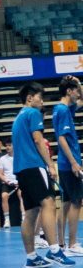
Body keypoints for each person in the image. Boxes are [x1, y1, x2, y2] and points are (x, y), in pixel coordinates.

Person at [13, 82, 72, 268]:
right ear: (30, 98)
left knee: (30, 212)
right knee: (48, 203)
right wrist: (50, 165)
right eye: (39, 97)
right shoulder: (32, 113)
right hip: (33, 165)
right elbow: (38, 140)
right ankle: (55, 251)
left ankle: (31, 257)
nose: (42, 101)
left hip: (21, 169)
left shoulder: (18, 117)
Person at [51, 75, 83, 255]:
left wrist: (78, 82)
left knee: (66, 203)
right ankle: (72, 244)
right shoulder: (63, 111)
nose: (78, 93)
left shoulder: (62, 109)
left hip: (64, 162)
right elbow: (61, 138)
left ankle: (62, 243)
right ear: (69, 91)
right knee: (76, 202)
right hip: (69, 162)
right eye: (76, 90)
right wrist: (73, 162)